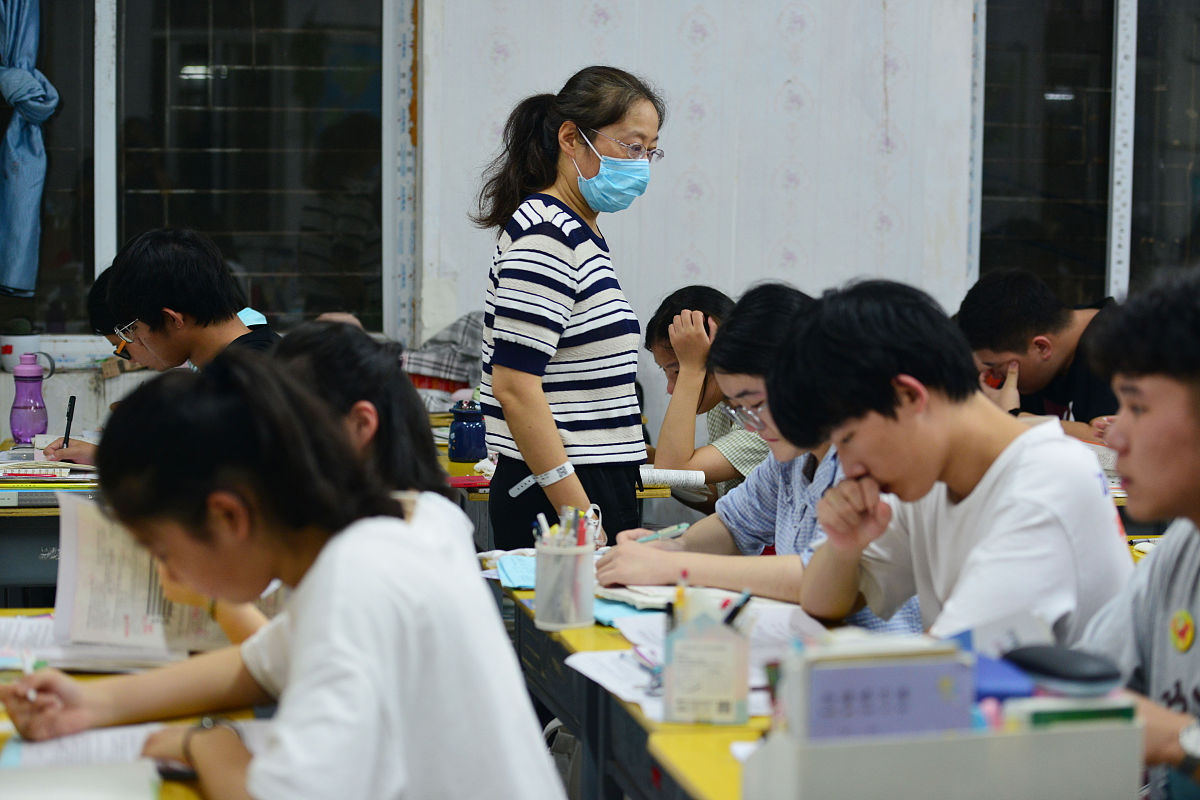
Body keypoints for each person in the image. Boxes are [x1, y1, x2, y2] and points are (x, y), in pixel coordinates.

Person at [0, 350, 564, 800]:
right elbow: (261, 663)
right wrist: (92, 705)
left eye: (162, 551)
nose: (166, 572)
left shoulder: (357, 578)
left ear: (228, 516)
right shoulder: (407, 520)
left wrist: (206, 743)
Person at [771, 279, 1131, 643]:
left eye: (847, 439)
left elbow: (951, 665)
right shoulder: (928, 478)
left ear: (909, 396)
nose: (849, 469)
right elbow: (822, 602)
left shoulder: (1046, 483)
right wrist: (843, 546)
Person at [597, 283, 921, 632]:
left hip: (873, 653)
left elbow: (819, 579)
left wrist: (674, 566)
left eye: (756, 404)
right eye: (739, 409)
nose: (752, 425)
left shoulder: (865, 458)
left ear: (805, 376)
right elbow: (734, 524)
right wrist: (670, 547)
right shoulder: (790, 458)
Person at [475, 65, 666, 549]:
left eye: (650, 150)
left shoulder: (578, 231)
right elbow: (515, 387)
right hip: (561, 491)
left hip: (588, 482)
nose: (642, 165)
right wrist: (579, 514)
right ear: (570, 139)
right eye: (632, 146)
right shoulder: (548, 234)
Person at [1076, 268, 1200, 799]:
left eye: (1138, 407)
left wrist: (1180, 741)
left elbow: (1160, 732)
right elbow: (1092, 686)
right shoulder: (1182, 548)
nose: (1116, 436)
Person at [44, 265, 275, 465]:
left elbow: (208, 466)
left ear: (171, 319)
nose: (136, 343)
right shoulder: (231, 362)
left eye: (131, 332)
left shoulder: (246, 373)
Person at [956, 268, 1118, 441]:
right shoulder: (1041, 357)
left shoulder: (1122, 349)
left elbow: (1108, 443)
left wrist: (1013, 417)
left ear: (1042, 347)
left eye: (996, 367)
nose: (995, 376)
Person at [644, 286, 770, 507]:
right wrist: (651, 456)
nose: (671, 389)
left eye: (677, 371)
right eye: (666, 371)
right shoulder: (722, 405)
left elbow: (671, 472)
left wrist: (692, 368)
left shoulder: (766, 412)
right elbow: (720, 497)